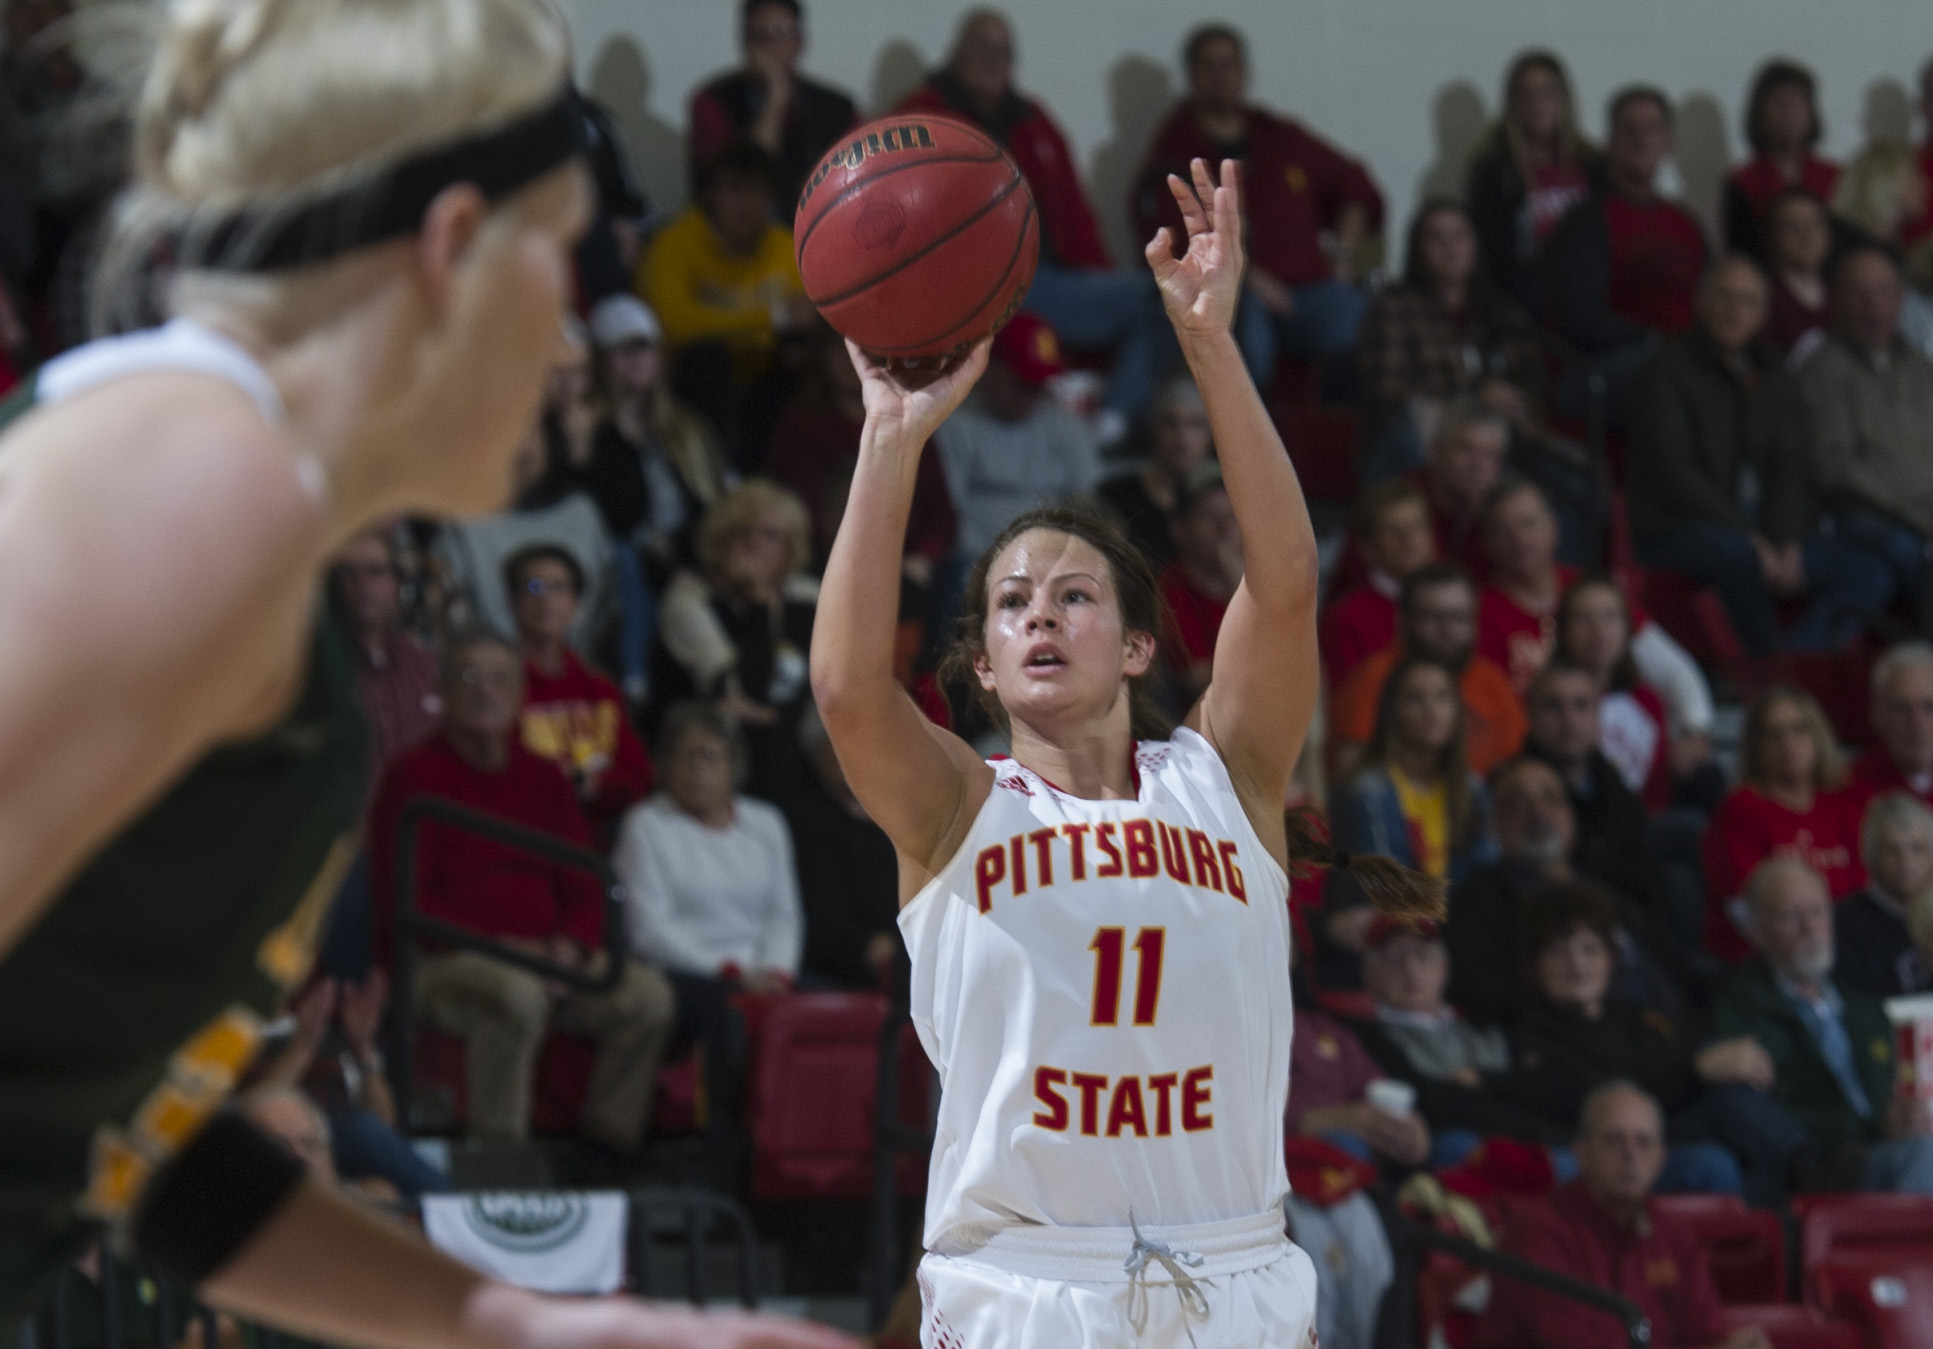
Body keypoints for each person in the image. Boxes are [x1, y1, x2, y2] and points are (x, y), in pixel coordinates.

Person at [0, 0, 845, 1341]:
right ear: (453, 247)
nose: (572, 340)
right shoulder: (196, 483)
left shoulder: (232, 520)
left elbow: (125, 1139)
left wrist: (560, 1328)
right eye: (560, 257)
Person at [810, 157, 1441, 1347]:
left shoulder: (1229, 780)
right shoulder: (957, 807)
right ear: (982, 667)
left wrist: (1207, 340)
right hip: (1030, 1289)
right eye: (1010, 602)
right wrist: (890, 438)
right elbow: (846, 687)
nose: (1041, 613)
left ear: (1143, 644)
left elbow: (1287, 577)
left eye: (1076, 594)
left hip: (1236, 1277)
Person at [370, 632, 677, 1153]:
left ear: (519, 695)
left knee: (647, 998)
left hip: (547, 963)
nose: (486, 691)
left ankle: (605, 1151)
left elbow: (583, 883)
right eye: (469, 677)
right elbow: (406, 900)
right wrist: (509, 950)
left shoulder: (544, 777)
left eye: (501, 679)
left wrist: (571, 946)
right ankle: (499, 1161)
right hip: (443, 959)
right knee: (513, 997)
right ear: (442, 690)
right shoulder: (411, 775)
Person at [898, 11, 1165, 423]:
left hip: (1054, 279)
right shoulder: (919, 118)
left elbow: (1076, 215)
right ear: (954, 54)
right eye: (980, 48)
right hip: (980, 288)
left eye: (1002, 51)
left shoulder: (1034, 121)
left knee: (1167, 298)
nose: (991, 60)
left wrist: (1098, 279)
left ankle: (1109, 425)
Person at [1627, 255, 1891, 654]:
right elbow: (1675, 475)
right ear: (1700, 302)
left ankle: (1795, 658)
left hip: (1757, 528)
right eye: (1724, 298)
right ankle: (1767, 668)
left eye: (1748, 302)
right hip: (1677, 525)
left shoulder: (1773, 371)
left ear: (1763, 314)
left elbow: (1788, 463)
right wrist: (1751, 538)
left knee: (1869, 572)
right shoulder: (1665, 368)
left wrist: (1785, 543)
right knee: (1742, 558)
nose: (1735, 312)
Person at [613, 702, 802, 1187]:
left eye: (709, 756)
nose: (696, 768)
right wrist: (735, 973)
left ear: (733, 764)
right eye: (683, 756)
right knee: (728, 1013)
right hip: (685, 971)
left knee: (829, 1004)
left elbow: (783, 914)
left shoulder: (766, 823)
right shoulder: (646, 826)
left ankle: (804, 1155)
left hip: (763, 971)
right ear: (663, 765)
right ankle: (725, 1161)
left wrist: (776, 972)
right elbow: (649, 930)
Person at [1133, 23, 1384, 380]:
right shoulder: (1174, 149)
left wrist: (1342, 252)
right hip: (1236, 296)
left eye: (1229, 65)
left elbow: (1356, 184)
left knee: (1372, 319)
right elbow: (1174, 242)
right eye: (1210, 66)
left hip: (1309, 290)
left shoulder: (1278, 137)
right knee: (1242, 327)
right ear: (1191, 76)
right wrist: (1249, 278)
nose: (1221, 76)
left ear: (1244, 73)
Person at [1492, 886, 1765, 1197]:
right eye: (1558, 951)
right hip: (1584, 1156)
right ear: (1535, 964)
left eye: (1589, 949)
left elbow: (1678, 1063)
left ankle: (1799, 1176)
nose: (1577, 964)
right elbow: (1596, 1095)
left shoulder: (1641, 1017)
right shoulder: (1524, 1031)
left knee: (1724, 1122)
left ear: (1611, 959)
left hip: (1664, 1145)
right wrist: (1696, 1069)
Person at [1478, 1081, 1773, 1349]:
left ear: (1661, 1161)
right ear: (1581, 1153)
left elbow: (1708, 1332)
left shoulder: (1671, 1234)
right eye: (1613, 1139)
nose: (1630, 1154)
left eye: (1643, 1142)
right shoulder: (1539, 1230)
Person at [1714, 857, 1933, 1193]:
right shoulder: (1740, 1008)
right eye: (1792, 916)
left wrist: (1905, 1117)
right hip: (1825, 1168)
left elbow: (1892, 1094)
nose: (1810, 927)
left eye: (1818, 912)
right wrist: (1876, 1127)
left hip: (1889, 1151)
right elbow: (1771, 1115)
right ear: (1757, 931)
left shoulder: (1865, 1009)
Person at [1445, 757, 1688, 1030]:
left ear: (1571, 816)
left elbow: (1662, 979)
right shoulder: (1478, 900)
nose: (1539, 812)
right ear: (1495, 824)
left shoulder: (1607, 891)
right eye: (1518, 802)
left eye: (1551, 798)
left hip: (1659, 1039)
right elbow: (1486, 994)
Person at [637, 140, 809, 469]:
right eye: (733, 188)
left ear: (772, 199)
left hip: (763, 382)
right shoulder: (675, 243)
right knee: (709, 358)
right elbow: (673, 326)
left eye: (756, 190)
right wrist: (773, 318)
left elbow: (807, 318)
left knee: (802, 361)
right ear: (710, 195)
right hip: (688, 389)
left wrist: (777, 325)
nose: (744, 203)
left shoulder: (783, 245)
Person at [1543, 88, 1709, 424]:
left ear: (1667, 143)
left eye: (1652, 128)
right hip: (1609, 365)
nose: (1641, 139)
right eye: (1629, 129)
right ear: (1611, 143)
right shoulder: (1586, 222)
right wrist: (1652, 338)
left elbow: (1713, 297)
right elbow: (1579, 316)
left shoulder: (1686, 224)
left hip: (1682, 359)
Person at [654, 480, 818, 810]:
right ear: (720, 541)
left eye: (770, 535)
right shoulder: (689, 600)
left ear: (790, 549)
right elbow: (743, 692)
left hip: (792, 758)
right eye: (742, 533)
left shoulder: (807, 598)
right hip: (714, 758)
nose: (754, 545)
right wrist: (758, 602)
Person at [1355, 200, 1541, 482]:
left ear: (1475, 245)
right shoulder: (1394, 307)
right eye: (1436, 238)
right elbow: (1386, 391)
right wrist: (1472, 398)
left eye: (1459, 236)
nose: (1450, 247)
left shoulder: (1500, 311)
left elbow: (1529, 377)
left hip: (1495, 439)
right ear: (1418, 250)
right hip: (1415, 441)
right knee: (1417, 419)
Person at [1800, 244, 1933, 625]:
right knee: (1911, 554)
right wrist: (1918, 519)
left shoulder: (1923, 369)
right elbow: (1834, 467)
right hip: (1862, 516)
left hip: (1924, 517)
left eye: (1883, 292)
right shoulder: (1823, 370)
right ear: (1836, 299)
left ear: (1901, 299)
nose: (1873, 306)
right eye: (1859, 293)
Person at [767, 323, 955, 578]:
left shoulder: (910, 424)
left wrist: (923, 557)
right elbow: (800, 516)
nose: (850, 361)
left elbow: (940, 515)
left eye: (865, 350)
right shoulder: (802, 428)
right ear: (821, 355)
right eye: (838, 349)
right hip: (826, 566)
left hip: (909, 568)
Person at [1705, 686, 1866, 963]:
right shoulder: (1741, 808)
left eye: (1799, 730)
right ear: (1757, 747)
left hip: (1849, 949)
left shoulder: (1845, 803)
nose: (1789, 743)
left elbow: (1865, 891)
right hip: (1770, 956)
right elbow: (1741, 903)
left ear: (1817, 736)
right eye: (1774, 735)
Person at [576, 293, 731, 580]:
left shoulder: (686, 428)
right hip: (626, 567)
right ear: (599, 360)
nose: (636, 358)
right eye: (621, 349)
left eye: (643, 347)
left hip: (695, 559)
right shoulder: (591, 434)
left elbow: (713, 498)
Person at [507, 544, 653, 843]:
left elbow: (638, 778)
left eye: (559, 587)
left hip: (599, 845)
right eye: (534, 586)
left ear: (576, 604)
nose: (546, 598)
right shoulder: (500, 687)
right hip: (526, 842)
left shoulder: (601, 690)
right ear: (513, 603)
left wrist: (592, 785)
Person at [932, 311, 1101, 567]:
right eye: (1023, 382)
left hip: (1057, 561)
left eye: (1039, 384)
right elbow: (947, 517)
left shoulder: (1062, 423)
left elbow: (1091, 499)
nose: (1033, 394)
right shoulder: (956, 425)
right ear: (990, 367)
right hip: (978, 562)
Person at [1331, 563, 1526, 779]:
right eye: (1432, 616)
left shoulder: (1490, 679)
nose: (1447, 629)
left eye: (1459, 617)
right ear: (1403, 620)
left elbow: (1516, 764)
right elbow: (1351, 776)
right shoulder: (1375, 679)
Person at [1553, 575, 1719, 813]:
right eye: (1583, 618)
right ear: (1564, 631)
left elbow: (1657, 792)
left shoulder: (1648, 701)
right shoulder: (1551, 699)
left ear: (1627, 629)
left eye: (1610, 617)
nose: (1599, 630)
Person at [687, 0, 858, 215]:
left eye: (782, 32)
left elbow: (856, 182)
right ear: (745, 44)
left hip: (817, 227)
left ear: (800, 42)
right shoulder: (712, 102)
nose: (772, 44)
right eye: (761, 35)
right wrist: (775, 96)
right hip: (735, 238)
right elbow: (745, 188)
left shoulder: (839, 108)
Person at [1333, 656, 1495, 881]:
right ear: (1392, 711)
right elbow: (1381, 885)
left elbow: (1484, 876)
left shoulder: (1474, 789)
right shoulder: (1366, 790)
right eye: (1415, 698)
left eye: (1442, 697)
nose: (1431, 710)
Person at [1466, 51, 1600, 314]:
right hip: (1527, 302)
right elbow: (1492, 254)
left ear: (1563, 99)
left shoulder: (1594, 165)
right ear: (1512, 103)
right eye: (1525, 94)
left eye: (1546, 92)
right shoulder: (1494, 172)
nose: (1536, 103)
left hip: (1591, 296)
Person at [788, 702, 900, 991]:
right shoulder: (805, 821)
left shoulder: (898, 818)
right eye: (835, 739)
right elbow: (821, 921)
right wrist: (871, 945)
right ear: (815, 752)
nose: (849, 749)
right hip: (836, 971)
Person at [332, 530, 442, 804]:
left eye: (376, 572)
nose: (362, 584)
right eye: (347, 573)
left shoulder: (430, 666)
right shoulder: (316, 676)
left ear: (397, 584)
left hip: (424, 824)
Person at [1320, 478, 1438, 689]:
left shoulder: (1457, 599)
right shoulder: (1347, 616)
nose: (1409, 540)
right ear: (1368, 547)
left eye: (1416, 526)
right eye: (1393, 531)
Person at [1286, 1007, 1431, 1171]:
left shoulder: (1321, 1028)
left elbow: (1375, 1085)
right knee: (1345, 1145)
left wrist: (1408, 1123)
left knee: (1453, 1144)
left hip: (1367, 1151)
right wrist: (1327, 1119)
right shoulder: (1257, 1034)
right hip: (1293, 1155)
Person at [1096, 372, 1213, 573]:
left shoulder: (1226, 504)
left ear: (1211, 435)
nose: (1182, 436)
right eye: (1171, 422)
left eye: (1196, 424)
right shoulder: (1115, 496)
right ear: (1155, 428)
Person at [1723, 61, 1841, 258]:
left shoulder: (1835, 176)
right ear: (1760, 113)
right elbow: (1741, 252)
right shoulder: (1742, 182)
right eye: (1779, 102)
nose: (1790, 112)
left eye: (1798, 101)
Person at [1159, 464, 1242, 711]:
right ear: (1179, 529)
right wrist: (1242, 596)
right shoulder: (1169, 590)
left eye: (1232, 515)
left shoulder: (1261, 578)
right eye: (1209, 517)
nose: (1225, 528)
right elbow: (1204, 685)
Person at [1834, 793, 1933, 999]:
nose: (1906, 861)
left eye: (1917, 848)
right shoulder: (1844, 922)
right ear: (1870, 855)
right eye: (1892, 850)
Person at [1414, 400, 1510, 574]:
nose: (1477, 464)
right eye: (1465, 449)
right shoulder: (1403, 499)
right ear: (1437, 450)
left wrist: (1485, 520)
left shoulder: (1502, 510)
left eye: (1489, 454)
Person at [1847, 642, 1933, 807]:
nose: (1917, 722)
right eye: (1902, 707)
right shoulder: (1849, 786)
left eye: (1929, 706)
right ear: (1877, 714)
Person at [1760, 189, 1833, 360]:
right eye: (1792, 227)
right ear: (1772, 236)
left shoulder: (1843, 295)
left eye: (1814, 224)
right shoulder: (1763, 298)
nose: (1806, 235)